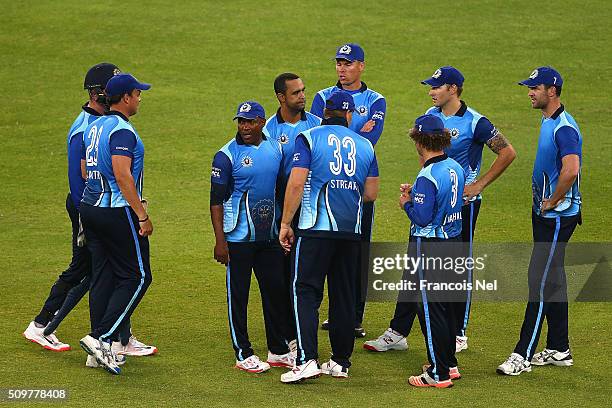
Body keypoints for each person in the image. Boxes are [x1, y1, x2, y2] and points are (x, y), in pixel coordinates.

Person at [364, 66, 516, 353]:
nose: (431, 91)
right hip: (430, 201)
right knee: (414, 265)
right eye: (431, 87)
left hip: (462, 207)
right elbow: (425, 157)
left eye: (437, 86)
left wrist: (479, 185)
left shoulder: (476, 122)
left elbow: (507, 152)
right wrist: (422, 188)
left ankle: (457, 332)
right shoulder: (429, 117)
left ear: (453, 89)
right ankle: (398, 330)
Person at [279, 91, 379, 383]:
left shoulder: (309, 138)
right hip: (351, 232)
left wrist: (286, 222)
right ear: (349, 115)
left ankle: (307, 359)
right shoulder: (366, 146)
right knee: (344, 295)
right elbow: (371, 193)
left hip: (315, 229)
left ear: (323, 111)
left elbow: (297, 183)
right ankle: (340, 362)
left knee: (305, 291)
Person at [23, 63, 120, 352]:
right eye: (113, 88)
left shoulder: (103, 122)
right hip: (86, 207)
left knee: (104, 269)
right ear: (97, 93)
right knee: (82, 269)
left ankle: (119, 337)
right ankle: (40, 325)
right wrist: (85, 218)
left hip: (97, 206)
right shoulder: (84, 128)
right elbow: (79, 180)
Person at [498, 66, 582, 376]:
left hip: (557, 217)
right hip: (547, 215)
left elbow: (571, 169)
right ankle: (559, 349)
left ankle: (523, 354)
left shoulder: (564, 128)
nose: (530, 92)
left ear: (553, 91)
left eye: (536, 88)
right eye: (529, 87)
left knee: (541, 281)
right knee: (553, 279)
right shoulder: (547, 119)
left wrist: (554, 199)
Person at [210, 101, 294, 374]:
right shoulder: (226, 156)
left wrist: (285, 225)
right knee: (239, 296)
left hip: (268, 237)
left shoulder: (275, 148)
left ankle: (278, 350)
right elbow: (216, 202)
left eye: (250, 121)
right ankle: (243, 352)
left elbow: (281, 189)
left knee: (275, 292)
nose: (244, 126)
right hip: (238, 239)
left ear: (261, 122)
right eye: (240, 121)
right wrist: (220, 241)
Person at [79, 73, 154, 375]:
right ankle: (103, 339)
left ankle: (97, 348)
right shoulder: (123, 131)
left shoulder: (93, 126)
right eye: (137, 94)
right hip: (116, 210)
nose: (139, 98)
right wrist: (142, 215)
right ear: (125, 98)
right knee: (138, 276)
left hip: (91, 207)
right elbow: (122, 175)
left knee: (105, 276)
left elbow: (86, 169)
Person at [311, 43, 386, 337]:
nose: (342, 69)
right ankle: (326, 312)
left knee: (359, 252)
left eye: (348, 63)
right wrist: (356, 132)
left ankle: (354, 317)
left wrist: (340, 136)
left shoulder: (376, 100)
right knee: (326, 249)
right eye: (339, 63)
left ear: (362, 66)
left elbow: (372, 138)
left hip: (360, 189)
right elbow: (320, 138)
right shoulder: (322, 96)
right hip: (328, 189)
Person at [397, 114, 465, 388]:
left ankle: (438, 374)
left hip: (430, 247)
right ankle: (449, 363)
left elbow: (422, 218)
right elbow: (448, 198)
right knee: (445, 308)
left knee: (430, 309)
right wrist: (418, 193)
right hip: (453, 242)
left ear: (419, 140)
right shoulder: (454, 167)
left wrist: (406, 203)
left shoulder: (428, 174)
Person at [263, 73, 321, 351]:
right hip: (279, 210)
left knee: (307, 273)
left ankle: (301, 331)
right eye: (296, 92)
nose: (302, 96)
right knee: (281, 273)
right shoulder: (267, 130)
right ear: (280, 97)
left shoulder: (317, 126)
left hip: (310, 210)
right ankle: (288, 333)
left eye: (303, 91)